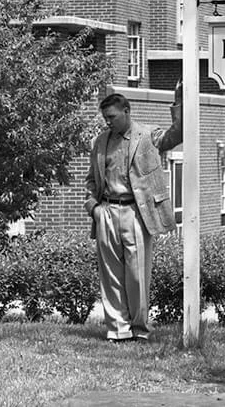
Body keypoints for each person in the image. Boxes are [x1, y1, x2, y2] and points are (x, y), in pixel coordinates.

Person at [82, 89, 184, 342]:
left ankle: (139, 328)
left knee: (137, 274)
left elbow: (177, 135)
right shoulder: (101, 141)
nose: (108, 121)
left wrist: (179, 104)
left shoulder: (148, 135)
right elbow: (91, 180)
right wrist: (94, 208)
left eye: (112, 117)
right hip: (106, 211)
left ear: (127, 112)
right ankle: (118, 329)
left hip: (137, 212)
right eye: (105, 117)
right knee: (111, 274)